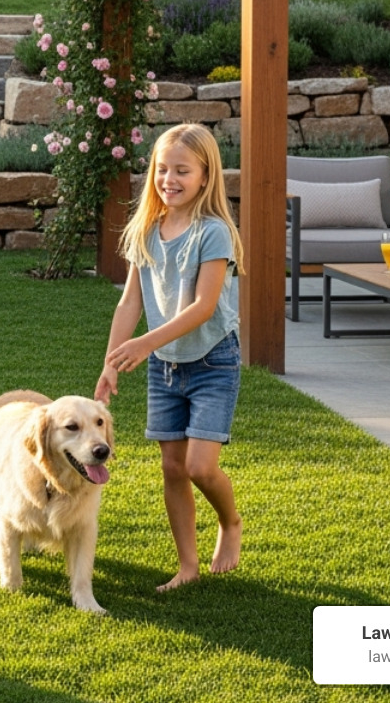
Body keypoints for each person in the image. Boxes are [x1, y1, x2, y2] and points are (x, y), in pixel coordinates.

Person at [94, 122, 244, 593]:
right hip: (165, 368)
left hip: (213, 361)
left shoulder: (213, 233)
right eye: (162, 169)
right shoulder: (145, 230)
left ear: (205, 176)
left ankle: (231, 523)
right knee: (172, 468)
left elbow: (203, 307)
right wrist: (111, 361)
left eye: (182, 170)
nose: (169, 179)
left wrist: (145, 344)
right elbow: (130, 303)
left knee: (200, 467)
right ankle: (188, 565)